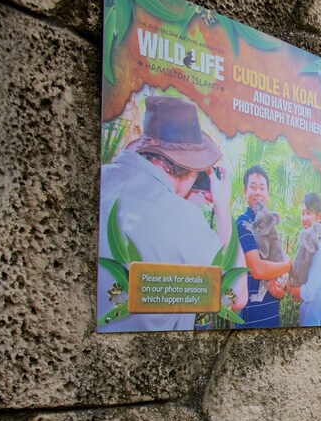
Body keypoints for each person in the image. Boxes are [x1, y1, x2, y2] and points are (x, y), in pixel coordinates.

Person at [97, 95, 246, 331]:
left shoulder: (102, 177)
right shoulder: (184, 220)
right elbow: (234, 295)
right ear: (188, 168)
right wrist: (223, 209)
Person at [235, 165, 291, 328]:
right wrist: (287, 264)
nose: (258, 192)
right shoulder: (244, 223)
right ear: (245, 191)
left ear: (267, 194)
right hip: (251, 319)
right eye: (253, 187)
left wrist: (281, 290)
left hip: (272, 316)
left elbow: (277, 264)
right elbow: (258, 270)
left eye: (262, 188)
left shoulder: (269, 224)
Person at [288, 193, 321, 326]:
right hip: (307, 317)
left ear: (319, 217)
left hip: (316, 321)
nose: (304, 218)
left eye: (308, 213)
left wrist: (288, 288)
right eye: (302, 213)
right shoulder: (307, 245)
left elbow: (308, 293)